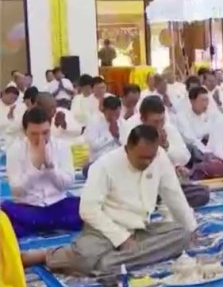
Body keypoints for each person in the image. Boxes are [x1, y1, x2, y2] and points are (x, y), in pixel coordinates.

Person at [26, 125, 197, 276]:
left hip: (139, 230)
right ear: (128, 148)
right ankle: (48, 255)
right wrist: (121, 239)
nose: (147, 162)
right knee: (85, 257)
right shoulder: (104, 165)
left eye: (151, 158)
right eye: (142, 157)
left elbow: (173, 194)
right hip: (104, 231)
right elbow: (88, 210)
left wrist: (191, 228)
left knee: (181, 234)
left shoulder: (159, 158)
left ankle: (109, 264)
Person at [0, 108, 81, 237]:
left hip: (57, 204)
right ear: (25, 131)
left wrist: (51, 169)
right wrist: (35, 168)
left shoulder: (61, 146)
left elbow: (67, 184)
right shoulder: (15, 150)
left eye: (45, 132)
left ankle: (34, 226)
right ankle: (45, 224)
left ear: (50, 128)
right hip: (28, 207)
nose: (40, 138)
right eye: (34, 134)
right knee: (4, 213)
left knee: (85, 207)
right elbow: (16, 191)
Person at [120, 96, 209, 208]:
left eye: (162, 120)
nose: (159, 125)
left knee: (202, 194)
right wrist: (156, 148)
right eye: (155, 122)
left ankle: (160, 201)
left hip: (165, 184)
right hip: (139, 182)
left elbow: (185, 157)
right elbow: (131, 161)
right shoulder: (131, 128)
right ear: (143, 119)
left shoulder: (168, 129)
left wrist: (166, 146)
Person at [82, 96, 123, 176]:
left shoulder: (122, 122)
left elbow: (128, 144)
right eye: (112, 112)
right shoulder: (94, 123)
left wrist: (117, 136)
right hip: (99, 160)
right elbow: (93, 145)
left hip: (119, 161)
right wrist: (111, 136)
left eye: (117, 113)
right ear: (104, 110)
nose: (114, 116)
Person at [0, 86, 19, 151]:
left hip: (10, 141)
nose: (13, 101)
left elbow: (17, 126)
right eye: (11, 98)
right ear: (4, 94)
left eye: (15, 99)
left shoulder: (15, 107)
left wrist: (11, 117)